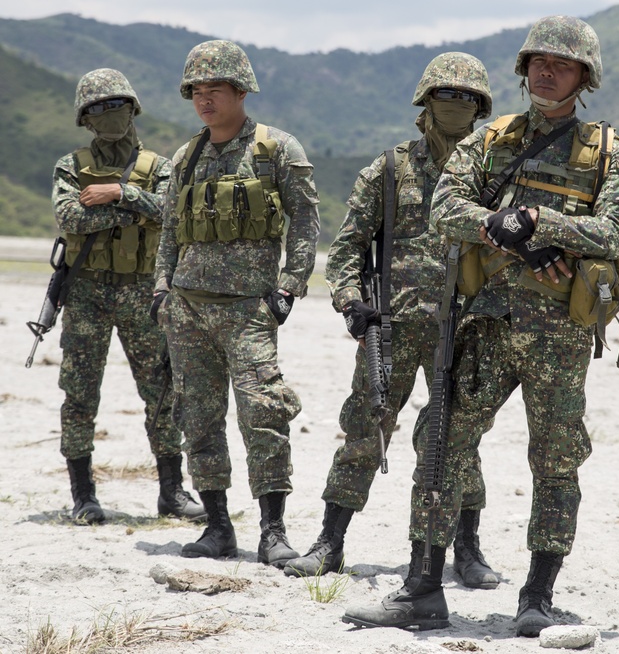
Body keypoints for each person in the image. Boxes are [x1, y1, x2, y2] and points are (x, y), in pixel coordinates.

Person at [342, 15, 619, 636]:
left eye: (561, 63)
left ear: (585, 76)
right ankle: (423, 589)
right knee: (440, 439)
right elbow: (445, 209)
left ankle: (537, 595)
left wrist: (535, 223)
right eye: (536, 61)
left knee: (556, 460)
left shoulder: (606, 151)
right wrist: (508, 230)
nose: (546, 71)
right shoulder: (493, 140)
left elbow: (611, 233)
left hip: (559, 333)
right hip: (484, 325)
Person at [283, 53, 499, 587]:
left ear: (481, 110)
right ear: (424, 104)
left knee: (455, 439)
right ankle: (329, 542)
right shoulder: (389, 169)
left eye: (467, 99)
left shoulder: (493, 171)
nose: (455, 107)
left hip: (465, 326)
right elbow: (347, 248)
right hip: (394, 326)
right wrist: (352, 302)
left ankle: (466, 549)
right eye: (445, 97)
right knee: (364, 427)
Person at [153, 40, 320, 569]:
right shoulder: (186, 156)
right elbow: (170, 230)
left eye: (216, 90)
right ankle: (218, 528)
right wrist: (161, 289)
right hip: (188, 309)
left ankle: (272, 532)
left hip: (249, 308)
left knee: (263, 412)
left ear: (240, 92)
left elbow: (306, 222)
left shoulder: (276, 150)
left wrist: (290, 286)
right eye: (197, 92)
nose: (205, 100)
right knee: (198, 418)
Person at [53, 68, 204, 524]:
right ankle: (83, 495)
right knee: (80, 392)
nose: (107, 114)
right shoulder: (70, 166)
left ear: (133, 109)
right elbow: (69, 218)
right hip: (85, 292)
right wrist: (134, 211)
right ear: (85, 119)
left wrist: (118, 192)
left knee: (161, 391)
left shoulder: (159, 167)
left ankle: (172, 492)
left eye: (115, 105)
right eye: (97, 109)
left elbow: (168, 211)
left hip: (143, 290)